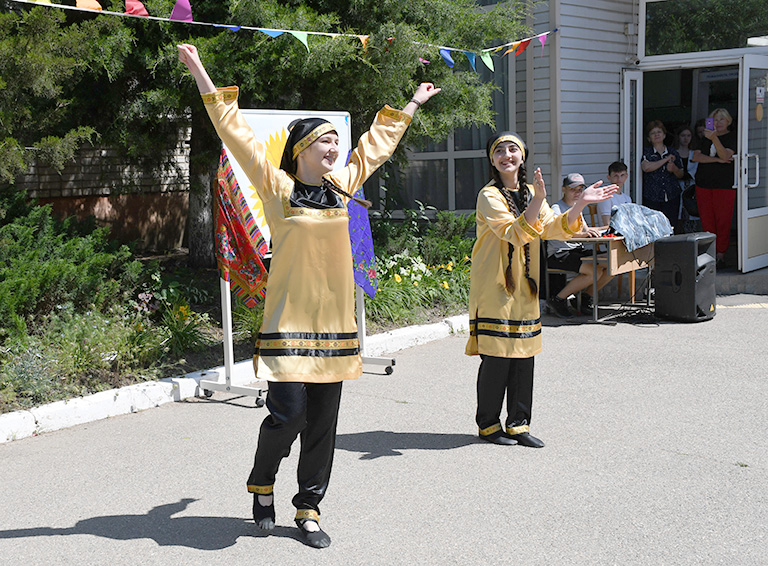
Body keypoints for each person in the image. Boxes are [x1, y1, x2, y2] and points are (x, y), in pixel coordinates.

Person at [177, 43, 440, 548]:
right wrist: (200, 71)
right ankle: (261, 483)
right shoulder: (276, 187)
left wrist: (412, 103)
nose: (336, 148)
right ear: (301, 150)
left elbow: (376, 146)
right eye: (325, 141)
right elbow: (235, 134)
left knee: (323, 424)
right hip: (288, 323)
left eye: (337, 141)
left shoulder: (344, 184)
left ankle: (309, 508)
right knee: (288, 415)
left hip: (336, 327)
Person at [465, 133, 617, 448]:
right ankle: (489, 425)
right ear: (492, 160)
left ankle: (519, 424)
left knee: (524, 354)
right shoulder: (489, 195)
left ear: (522, 156)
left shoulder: (533, 192)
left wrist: (582, 203)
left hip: (526, 284)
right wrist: (537, 201)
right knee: (497, 356)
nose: (507, 155)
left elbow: (556, 227)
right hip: (494, 284)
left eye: (513, 150)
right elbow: (513, 233)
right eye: (500, 151)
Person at [546, 173, 615, 317]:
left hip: (576, 250)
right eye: (573, 189)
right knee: (594, 271)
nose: (577, 193)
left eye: (580, 189)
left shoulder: (578, 207)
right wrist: (584, 235)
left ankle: (584, 298)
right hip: (560, 253)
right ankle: (558, 299)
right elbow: (563, 233)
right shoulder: (557, 208)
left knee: (612, 264)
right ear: (563, 189)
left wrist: (608, 229)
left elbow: (586, 230)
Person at [692, 108, 737, 268]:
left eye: (721, 120)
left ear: (728, 121)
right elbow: (696, 157)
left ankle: (721, 254)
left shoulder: (733, 136)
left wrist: (714, 139)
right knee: (707, 219)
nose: (717, 123)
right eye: (714, 120)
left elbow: (726, 155)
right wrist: (717, 160)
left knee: (723, 220)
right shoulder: (703, 138)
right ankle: (709, 252)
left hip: (724, 185)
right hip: (703, 184)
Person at [641, 120, 684, 226]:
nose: (656, 135)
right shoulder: (646, 152)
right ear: (648, 138)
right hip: (652, 196)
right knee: (653, 226)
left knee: (671, 225)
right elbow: (646, 167)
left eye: (659, 132)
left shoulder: (673, 152)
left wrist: (674, 169)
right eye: (653, 133)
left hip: (671, 195)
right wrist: (666, 159)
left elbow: (681, 174)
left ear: (664, 135)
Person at [673, 125, 701, 233]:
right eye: (683, 135)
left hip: (691, 187)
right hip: (677, 187)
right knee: (678, 215)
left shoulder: (695, 154)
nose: (686, 138)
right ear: (678, 137)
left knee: (691, 213)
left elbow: (694, 172)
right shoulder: (673, 153)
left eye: (688, 136)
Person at [596, 161, 632, 226]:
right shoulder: (606, 197)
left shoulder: (627, 198)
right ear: (609, 177)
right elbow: (607, 224)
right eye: (616, 176)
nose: (619, 179)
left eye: (622, 175)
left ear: (626, 176)